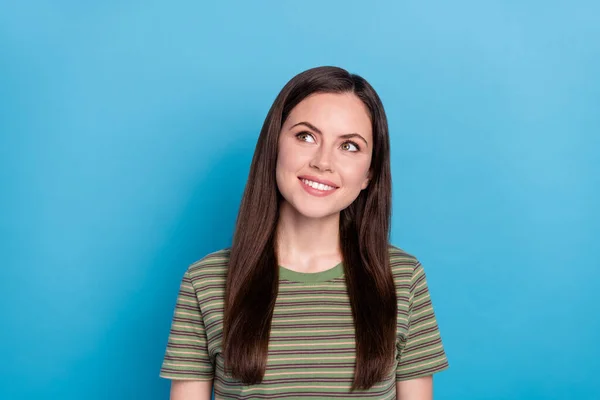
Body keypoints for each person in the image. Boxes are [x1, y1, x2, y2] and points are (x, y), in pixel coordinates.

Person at [160, 66, 449, 399]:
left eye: (350, 146)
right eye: (306, 136)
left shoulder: (403, 278)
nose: (323, 162)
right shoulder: (206, 282)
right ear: (274, 146)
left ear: (370, 172)